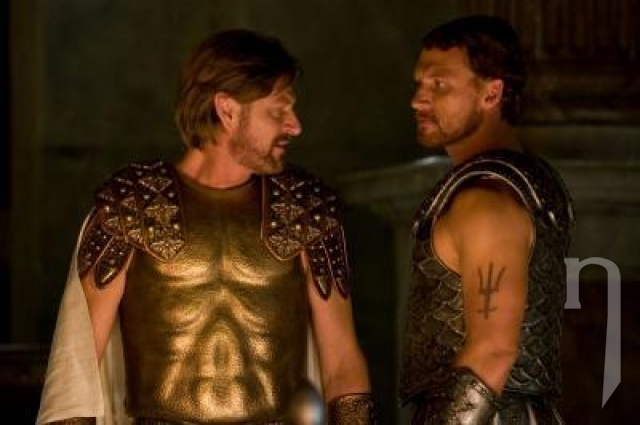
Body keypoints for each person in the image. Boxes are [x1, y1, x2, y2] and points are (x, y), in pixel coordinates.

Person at [37, 29, 376, 424]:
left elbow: (342, 366)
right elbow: (77, 366)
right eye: (277, 112)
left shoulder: (304, 209)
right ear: (227, 110)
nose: (295, 126)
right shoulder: (132, 208)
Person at [399, 15, 574, 424]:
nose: (418, 100)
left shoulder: (486, 200)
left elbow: (493, 351)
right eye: (419, 84)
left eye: (439, 85)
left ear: (491, 93)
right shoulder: (522, 183)